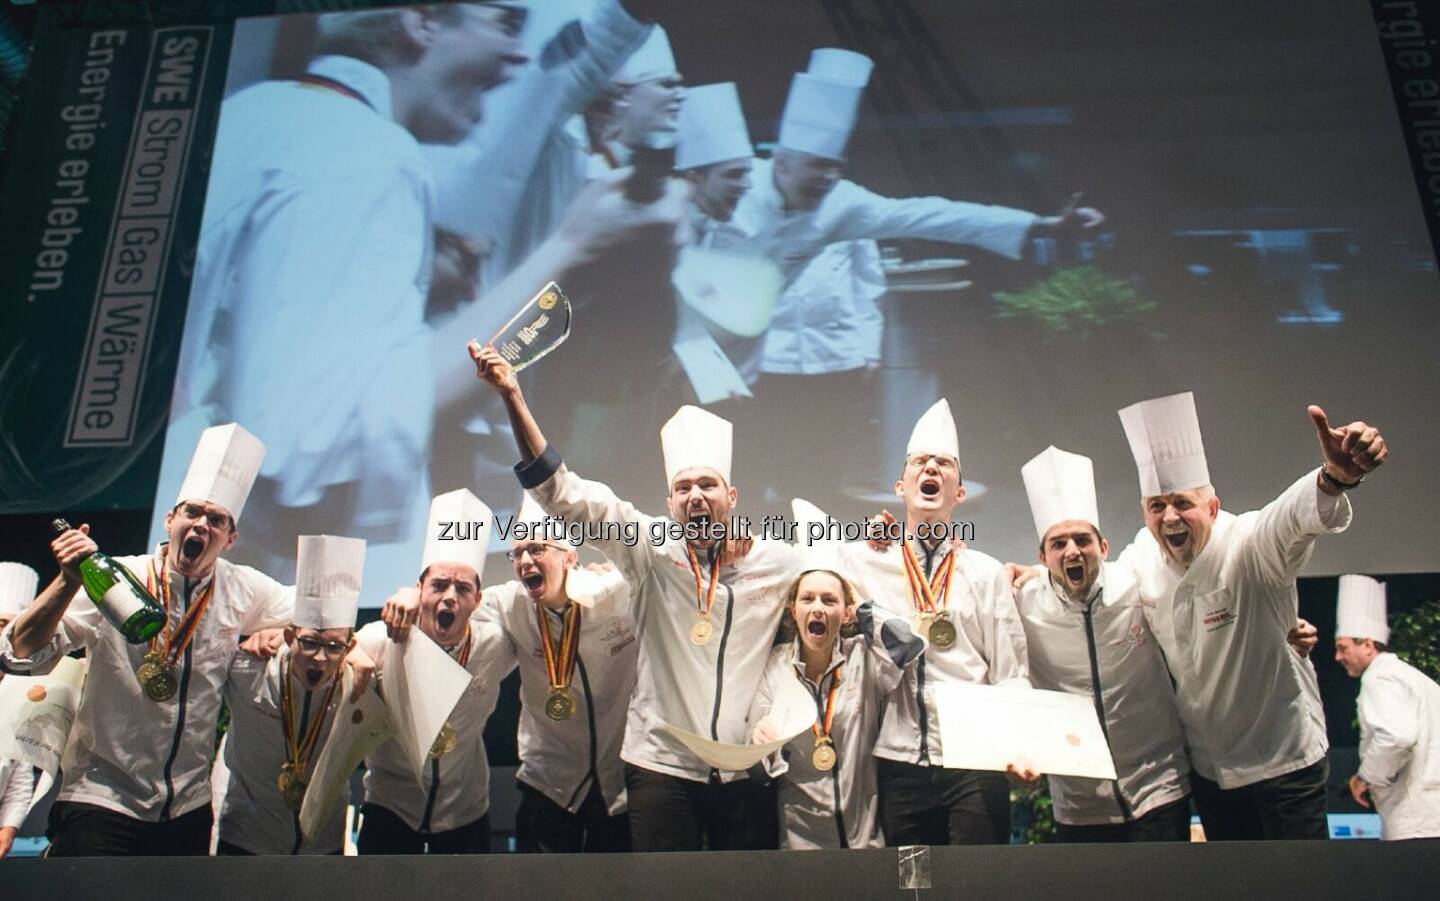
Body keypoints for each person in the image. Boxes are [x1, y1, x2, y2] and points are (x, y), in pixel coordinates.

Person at [155, 2, 687, 597]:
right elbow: (316, 450)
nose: (517, 55)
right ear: (423, 21)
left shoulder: (259, 110)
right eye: (505, 25)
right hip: (283, 576)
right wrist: (572, 247)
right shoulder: (364, 154)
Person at [473, 342, 799, 851]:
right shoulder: (648, 548)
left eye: (707, 485)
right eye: (683, 487)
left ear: (731, 498)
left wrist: (876, 539)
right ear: (669, 503)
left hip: (744, 766)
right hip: (660, 767)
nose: (695, 496)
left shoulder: (775, 560)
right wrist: (512, 395)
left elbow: (836, 576)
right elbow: (564, 493)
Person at [0, 424, 365, 856]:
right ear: (170, 519)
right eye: (192, 513)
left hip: (187, 810)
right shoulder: (119, 577)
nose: (201, 525)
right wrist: (65, 581)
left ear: (231, 539)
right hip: (101, 798)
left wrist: (277, 632)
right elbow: (19, 654)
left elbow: (320, 611)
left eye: (216, 520)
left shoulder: (243, 589)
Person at [1114, 392, 1387, 840]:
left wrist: (1334, 478)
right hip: (1211, 772)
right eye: (1156, 506)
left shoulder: (1249, 545)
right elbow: (1100, 588)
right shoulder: (1142, 556)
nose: (1169, 517)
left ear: (1213, 509)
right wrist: (1028, 576)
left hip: (1284, 764)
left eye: (1182, 503)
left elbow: (1289, 519)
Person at [825, 399, 1030, 846]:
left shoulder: (986, 572)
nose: (931, 469)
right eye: (920, 462)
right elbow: (807, 568)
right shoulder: (864, 563)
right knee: (912, 887)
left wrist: (1020, 746)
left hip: (976, 761)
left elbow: (1011, 675)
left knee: (977, 886)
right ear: (901, 486)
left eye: (943, 464)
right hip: (899, 761)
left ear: (959, 492)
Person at [1011, 446, 1191, 842]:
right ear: (1042, 556)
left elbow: (1199, 591)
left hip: (1158, 786)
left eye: (1082, 540)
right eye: (1058, 544)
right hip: (1078, 802)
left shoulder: (1137, 584)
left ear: (1103, 548)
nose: (1072, 550)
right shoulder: (1023, 604)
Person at [356, 489, 515, 854]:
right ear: (419, 590)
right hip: (390, 811)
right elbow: (328, 649)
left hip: (466, 813)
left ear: (478, 599)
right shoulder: (382, 639)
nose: (449, 597)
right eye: (438, 585)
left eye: (462, 588)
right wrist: (352, 654)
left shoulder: (495, 644)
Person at [750, 523, 925, 849]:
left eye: (829, 600)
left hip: (867, 842)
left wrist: (861, 606)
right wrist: (762, 742)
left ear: (845, 613)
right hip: (800, 846)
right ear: (793, 609)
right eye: (807, 599)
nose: (817, 607)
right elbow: (758, 767)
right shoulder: (775, 666)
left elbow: (909, 644)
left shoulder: (864, 658)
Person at [481, 494, 637, 852]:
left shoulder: (618, 593)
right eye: (517, 553)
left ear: (570, 557)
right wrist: (412, 597)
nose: (524, 561)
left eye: (537, 549)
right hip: (546, 784)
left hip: (618, 782)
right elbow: (457, 603)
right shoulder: (511, 604)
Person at [214, 535, 366, 855]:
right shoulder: (246, 670)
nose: (320, 658)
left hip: (323, 842)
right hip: (246, 836)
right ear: (288, 635)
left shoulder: (359, 683)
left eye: (334, 647)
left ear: (349, 646)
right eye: (309, 643)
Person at [1333, 574, 1440, 840]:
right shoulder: (1412, 676)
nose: (1337, 657)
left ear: (1367, 645)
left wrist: (1365, 777)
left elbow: (1396, 736)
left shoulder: (1380, 677)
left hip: (1415, 821)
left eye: (1342, 648)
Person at [0, 562, 41, 859]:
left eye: (15, 627)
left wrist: (8, 829)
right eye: (3, 624)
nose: (8, 635)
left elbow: (21, 775)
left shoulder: (23, 694)